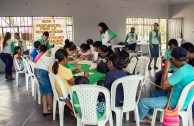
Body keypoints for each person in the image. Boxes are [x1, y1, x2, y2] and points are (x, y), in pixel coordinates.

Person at [138, 47, 194, 124]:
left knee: (143, 102)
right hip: (184, 101)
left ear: (173, 59)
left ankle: (139, 118)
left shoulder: (181, 72)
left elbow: (163, 85)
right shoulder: (191, 68)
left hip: (173, 103)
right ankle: (150, 115)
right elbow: (180, 85)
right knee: (153, 93)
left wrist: (166, 67)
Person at [34, 46, 61, 116]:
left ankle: (45, 110)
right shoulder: (60, 51)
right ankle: (53, 109)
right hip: (42, 70)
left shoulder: (56, 48)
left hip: (37, 68)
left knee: (44, 91)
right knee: (49, 91)